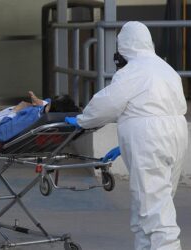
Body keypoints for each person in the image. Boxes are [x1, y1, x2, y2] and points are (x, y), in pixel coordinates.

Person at [65, 21, 188, 250]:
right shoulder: (166, 69)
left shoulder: (133, 71)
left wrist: (82, 120)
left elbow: (106, 104)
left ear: (124, 46)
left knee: (153, 208)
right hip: (176, 134)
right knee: (157, 201)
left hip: (148, 138)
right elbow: (160, 110)